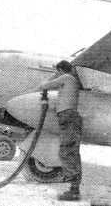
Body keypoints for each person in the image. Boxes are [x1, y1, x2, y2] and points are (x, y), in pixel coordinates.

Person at [36, 60, 82, 201]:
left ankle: (74, 191)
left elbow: (42, 86)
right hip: (69, 118)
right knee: (70, 151)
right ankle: (74, 188)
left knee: (67, 151)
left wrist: (54, 74)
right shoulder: (70, 80)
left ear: (61, 70)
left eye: (58, 71)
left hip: (68, 118)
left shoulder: (66, 78)